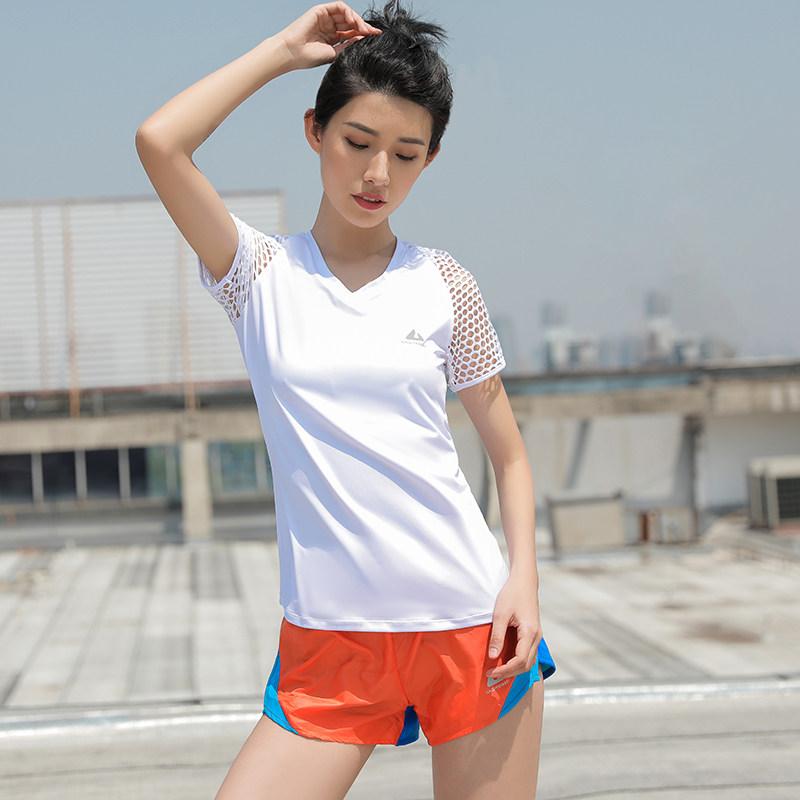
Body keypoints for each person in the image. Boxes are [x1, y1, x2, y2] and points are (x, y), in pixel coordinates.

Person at [136, 2, 555, 798]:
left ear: (430, 160)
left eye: (405, 154)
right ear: (315, 131)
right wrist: (282, 49)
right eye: (357, 143)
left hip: (472, 628)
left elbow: (509, 453)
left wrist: (524, 581)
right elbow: (160, 142)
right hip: (331, 643)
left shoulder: (445, 284)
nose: (377, 174)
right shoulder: (257, 275)